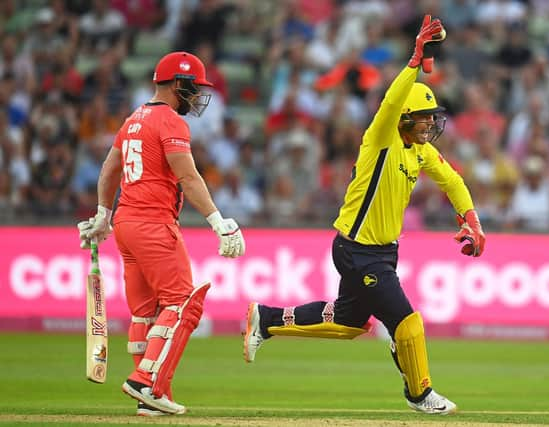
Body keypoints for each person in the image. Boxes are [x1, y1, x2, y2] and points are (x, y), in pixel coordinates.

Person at [243, 15, 485, 415]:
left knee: (349, 323)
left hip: (383, 251)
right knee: (407, 323)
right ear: (405, 119)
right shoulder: (382, 137)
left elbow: (453, 181)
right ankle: (420, 393)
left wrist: (471, 218)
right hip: (358, 250)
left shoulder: (419, 150)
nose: (430, 127)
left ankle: (264, 319)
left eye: (432, 120)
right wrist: (414, 61)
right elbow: (391, 100)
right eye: (423, 120)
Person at [77, 51, 246, 416]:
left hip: (126, 224)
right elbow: (187, 175)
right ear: (179, 84)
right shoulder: (169, 121)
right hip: (154, 224)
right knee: (183, 303)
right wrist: (218, 221)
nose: (198, 96)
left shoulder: (134, 118)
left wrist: (104, 215)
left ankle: (151, 397)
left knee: (146, 314)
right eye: (194, 88)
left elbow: (109, 170)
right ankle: (145, 382)